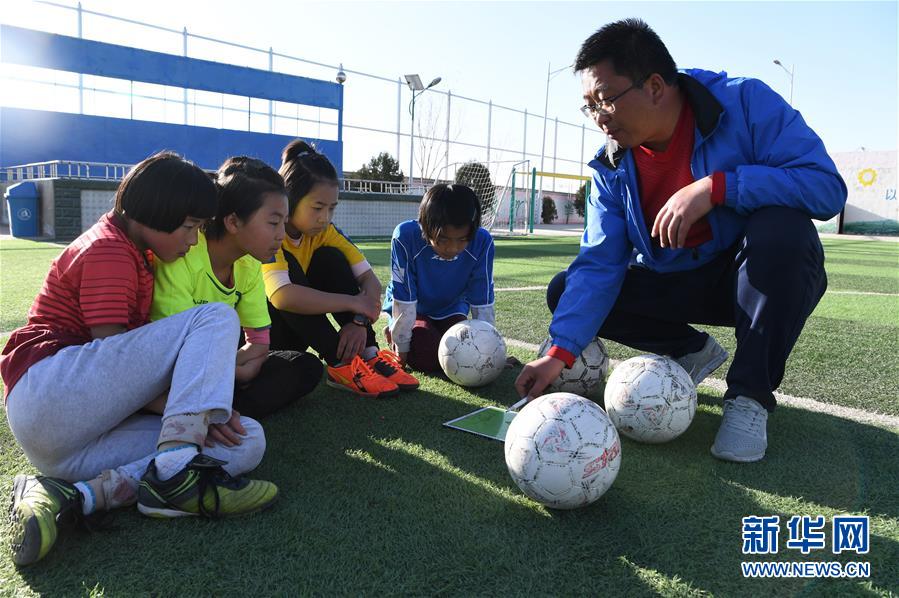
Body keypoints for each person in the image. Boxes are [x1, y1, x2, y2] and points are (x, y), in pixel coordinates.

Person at [514, 19, 846, 463]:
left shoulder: (745, 103)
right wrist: (559, 353)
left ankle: (748, 398)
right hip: (678, 283)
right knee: (564, 288)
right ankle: (691, 350)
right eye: (589, 106)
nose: (598, 117)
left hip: (754, 279)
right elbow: (599, 264)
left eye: (606, 99)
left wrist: (718, 188)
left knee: (785, 230)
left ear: (654, 86)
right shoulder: (611, 168)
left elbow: (825, 188)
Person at [2, 152, 278, 567]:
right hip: (49, 393)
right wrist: (197, 413)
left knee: (246, 440)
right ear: (153, 214)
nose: (192, 240)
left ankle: (78, 495)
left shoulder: (136, 251)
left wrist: (202, 418)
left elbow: (119, 379)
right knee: (217, 317)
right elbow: (111, 361)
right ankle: (177, 472)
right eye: (189, 228)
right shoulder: (110, 250)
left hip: (69, 445)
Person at [151, 156, 324, 420]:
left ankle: (215, 409)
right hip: (169, 371)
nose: (281, 234)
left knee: (304, 366)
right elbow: (176, 356)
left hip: (217, 367)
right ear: (233, 222)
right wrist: (233, 370)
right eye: (273, 222)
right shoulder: (182, 254)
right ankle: (208, 410)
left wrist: (232, 369)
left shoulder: (250, 264)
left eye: (284, 222)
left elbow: (258, 344)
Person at [262, 140, 419, 399]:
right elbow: (282, 296)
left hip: (301, 333)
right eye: (317, 208)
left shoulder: (325, 233)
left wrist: (358, 321)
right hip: (268, 338)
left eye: (332, 208)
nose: (325, 217)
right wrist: (353, 303)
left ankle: (369, 354)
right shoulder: (270, 234)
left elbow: (370, 281)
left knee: (331, 259)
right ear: (290, 200)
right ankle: (341, 363)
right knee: (291, 276)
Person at [382, 183, 496, 372]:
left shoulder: (482, 241)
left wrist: (489, 348)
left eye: (462, 239)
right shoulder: (405, 237)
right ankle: (392, 331)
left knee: (467, 347)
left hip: (452, 308)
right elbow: (404, 297)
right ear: (426, 227)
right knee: (425, 353)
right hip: (415, 308)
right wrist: (401, 346)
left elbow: (482, 299)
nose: (452, 248)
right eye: (443, 239)